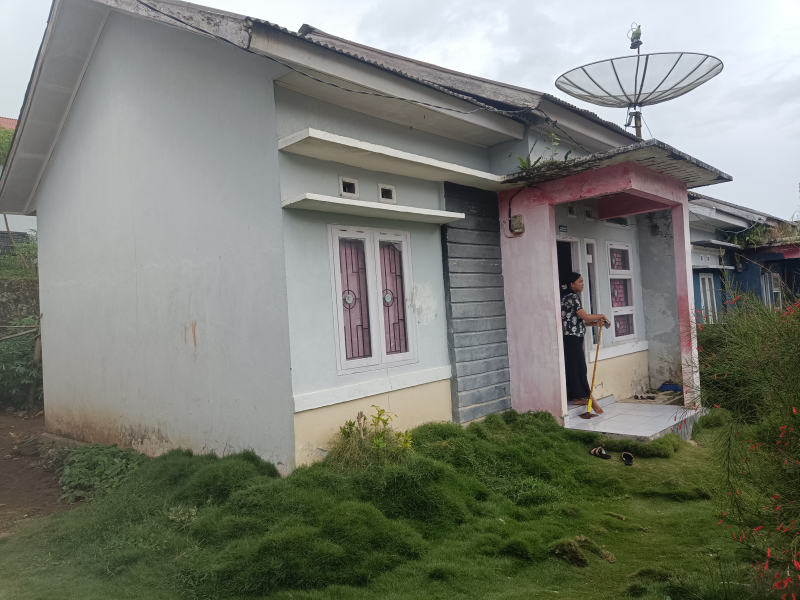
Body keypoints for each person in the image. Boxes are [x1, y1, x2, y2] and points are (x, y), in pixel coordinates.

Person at [561, 272, 608, 413]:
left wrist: (595, 324)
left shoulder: (570, 297)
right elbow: (584, 316)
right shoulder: (571, 297)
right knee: (579, 369)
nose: (582, 284)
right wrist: (601, 315)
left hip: (573, 338)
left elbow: (578, 321)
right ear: (572, 284)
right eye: (580, 281)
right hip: (572, 339)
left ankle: (577, 397)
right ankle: (590, 399)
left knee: (576, 368)